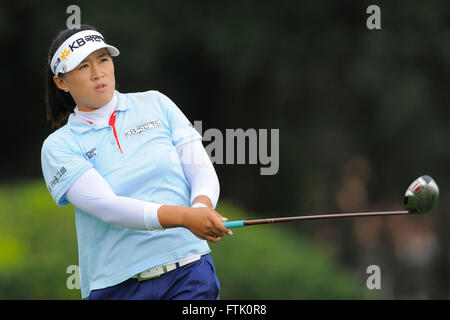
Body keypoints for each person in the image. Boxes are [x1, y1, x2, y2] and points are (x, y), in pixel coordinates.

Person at [41, 24, 232, 300]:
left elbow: (199, 166)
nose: (98, 73)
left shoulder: (157, 103)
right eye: (83, 67)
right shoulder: (59, 146)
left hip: (189, 272)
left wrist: (201, 207)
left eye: (103, 60)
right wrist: (186, 217)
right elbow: (109, 207)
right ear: (61, 82)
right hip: (118, 287)